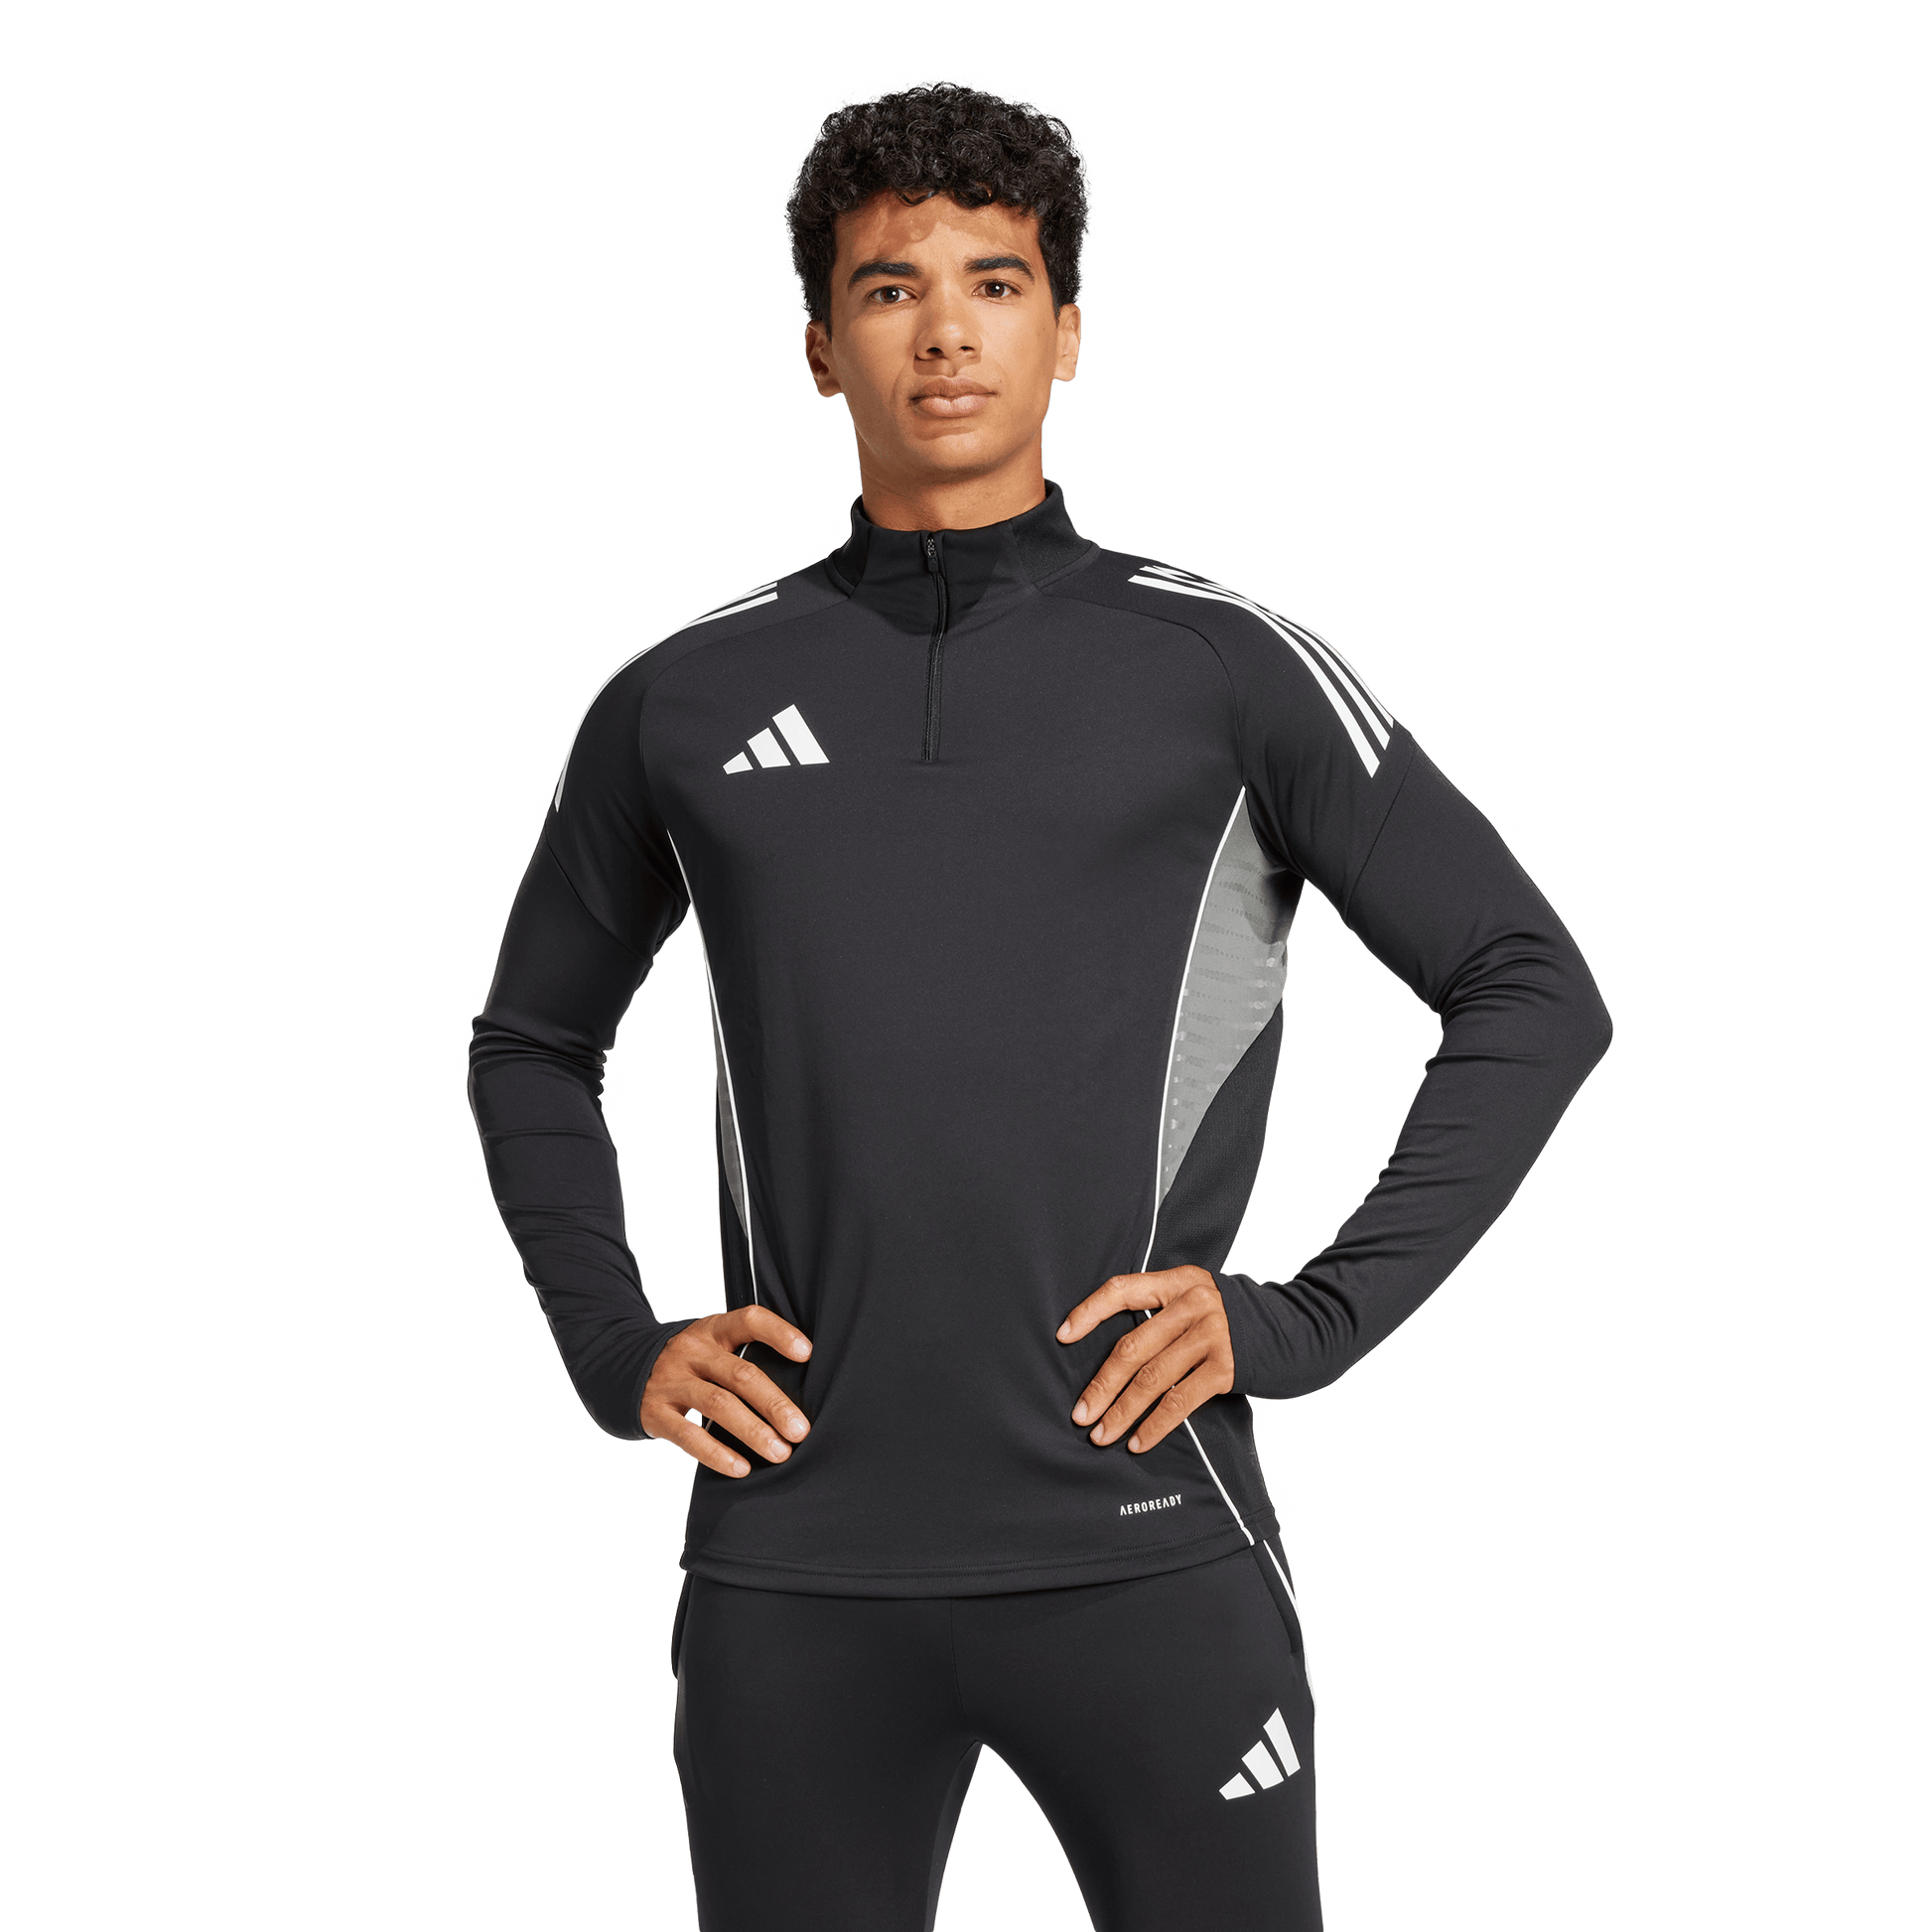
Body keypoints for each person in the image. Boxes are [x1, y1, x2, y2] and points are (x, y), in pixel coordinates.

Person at [464, 71, 1614, 1932]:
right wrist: (615, 1346)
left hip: (1148, 1553)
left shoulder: (1221, 669)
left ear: (1066, 328)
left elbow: (1528, 987)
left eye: (994, 283)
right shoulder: (680, 699)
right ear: (819, 346)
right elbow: (529, 1040)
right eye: (888, 287)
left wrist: (1307, 1318)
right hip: (795, 1572)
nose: (944, 333)